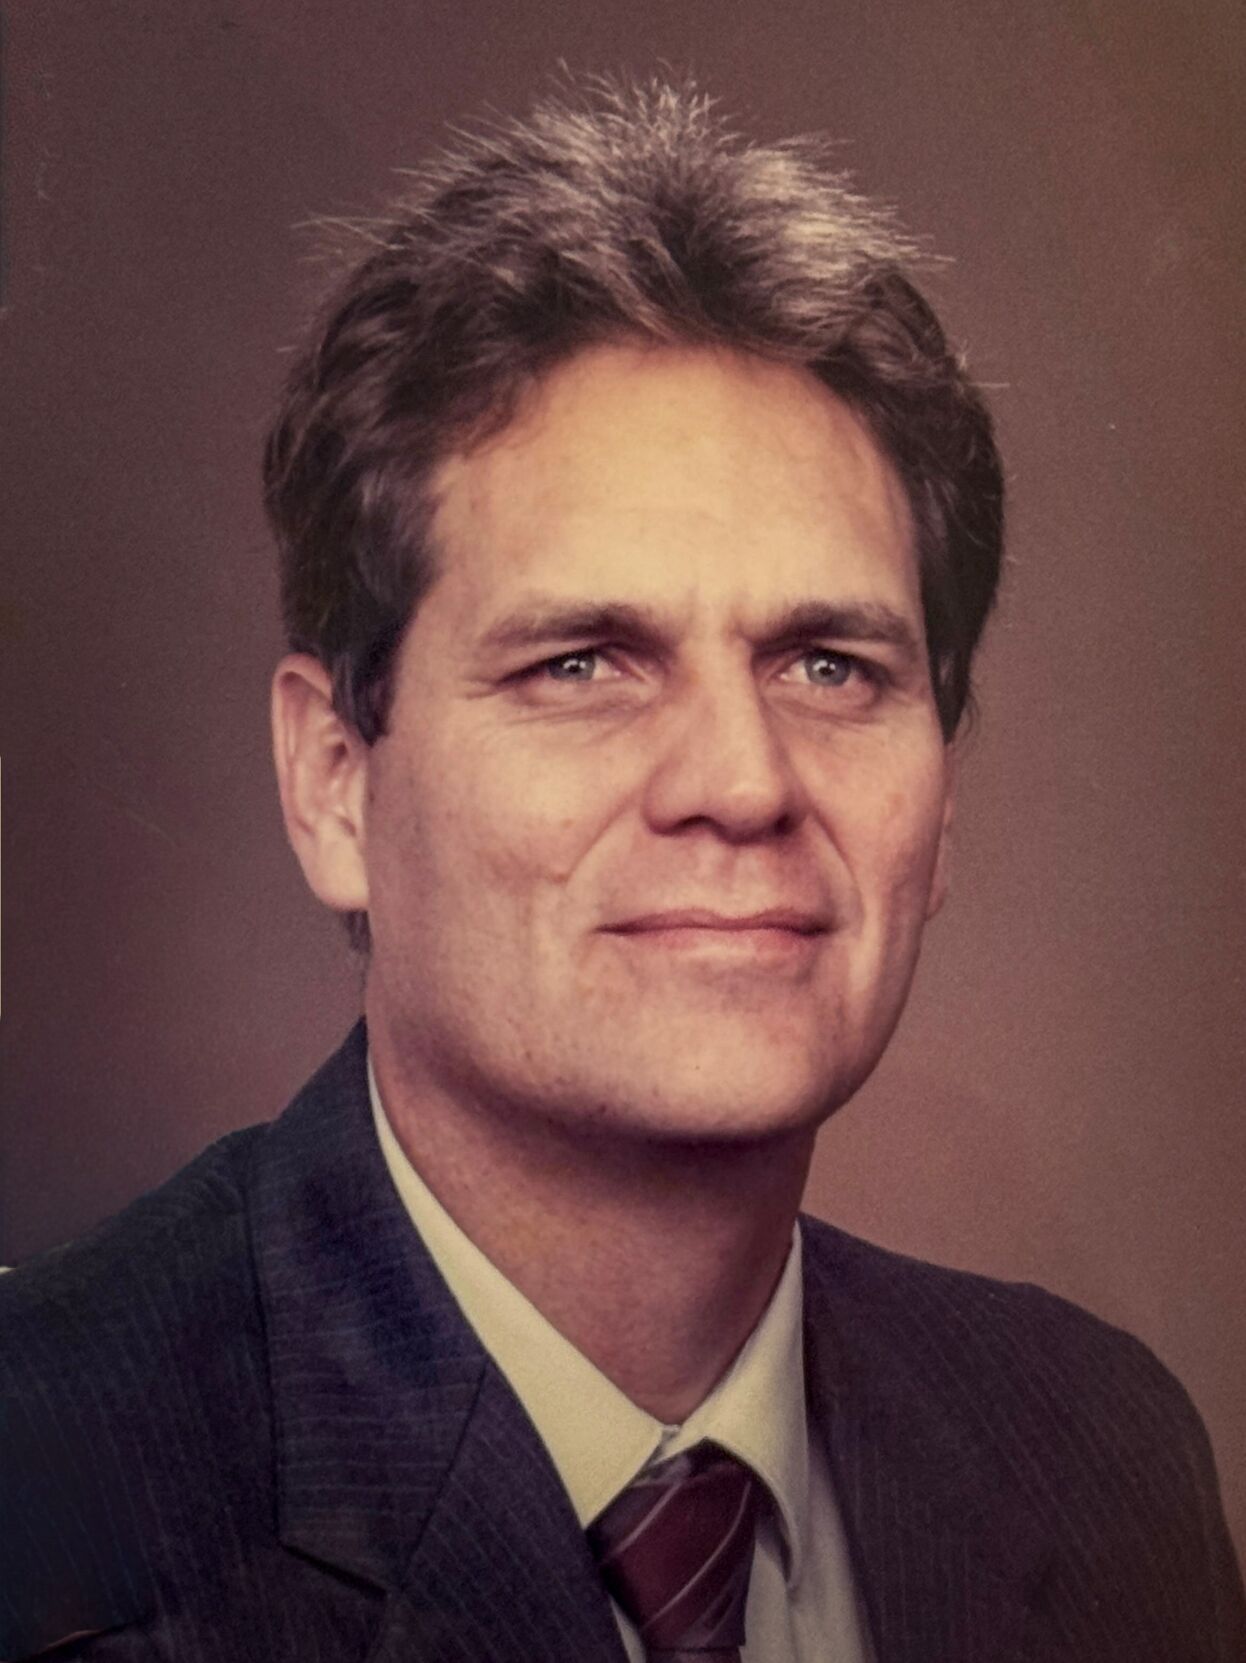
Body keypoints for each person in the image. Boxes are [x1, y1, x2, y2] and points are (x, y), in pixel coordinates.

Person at [2, 75, 1242, 1663]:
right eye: (581, 664)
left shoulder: (1101, 1453)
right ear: (333, 781)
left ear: (938, 803)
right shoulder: (43, 1491)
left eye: (829, 666)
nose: (741, 782)